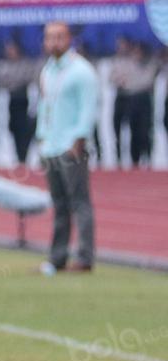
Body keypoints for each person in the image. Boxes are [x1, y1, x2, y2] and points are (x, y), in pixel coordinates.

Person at [36, 22, 98, 274]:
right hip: (51, 146)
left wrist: (79, 139)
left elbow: (88, 108)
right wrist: (41, 138)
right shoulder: (48, 70)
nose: (54, 42)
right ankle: (57, 257)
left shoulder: (81, 71)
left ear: (69, 39)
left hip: (71, 146)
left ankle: (84, 257)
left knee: (79, 202)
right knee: (59, 204)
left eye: (59, 37)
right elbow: (45, 107)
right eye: (50, 37)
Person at [109, 37, 156, 169]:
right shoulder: (118, 61)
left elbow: (146, 82)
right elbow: (113, 79)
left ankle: (147, 158)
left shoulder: (148, 63)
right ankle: (128, 159)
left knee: (144, 131)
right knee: (127, 129)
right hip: (125, 98)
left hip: (142, 99)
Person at [0, 38, 38, 165]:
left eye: (12, 49)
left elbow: (25, 80)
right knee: (12, 129)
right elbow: (0, 81)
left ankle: (24, 156)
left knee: (25, 131)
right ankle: (16, 156)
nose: (10, 52)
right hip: (10, 101)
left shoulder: (25, 64)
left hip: (24, 101)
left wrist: (13, 83)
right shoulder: (3, 65)